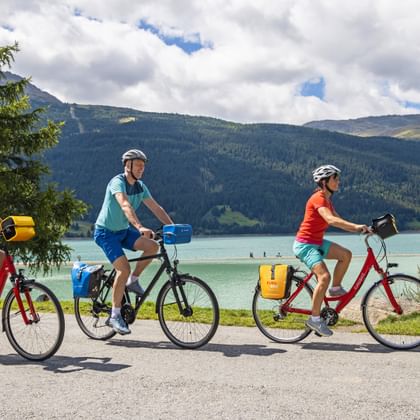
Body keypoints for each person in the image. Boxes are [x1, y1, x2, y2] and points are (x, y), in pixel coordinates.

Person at [94, 149, 174, 335]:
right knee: (123, 268)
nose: (141, 169)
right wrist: (139, 227)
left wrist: (172, 227)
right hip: (106, 233)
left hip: (122, 231)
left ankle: (133, 281)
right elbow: (124, 205)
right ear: (127, 165)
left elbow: (156, 207)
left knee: (152, 247)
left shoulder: (140, 186)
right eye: (138, 165)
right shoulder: (117, 182)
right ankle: (114, 315)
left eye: (143, 166)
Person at [293, 165, 370, 337]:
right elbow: (330, 219)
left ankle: (335, 288)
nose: (338, 181)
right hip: (305, 245)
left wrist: (362, 228)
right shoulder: (318, 198)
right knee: (324, 277)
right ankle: (314, 319)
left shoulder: (327, 200)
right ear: (324, 182)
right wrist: (357, 227)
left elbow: (339, 219)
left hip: (317, 242)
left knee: (346, 255)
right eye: (335, 179)